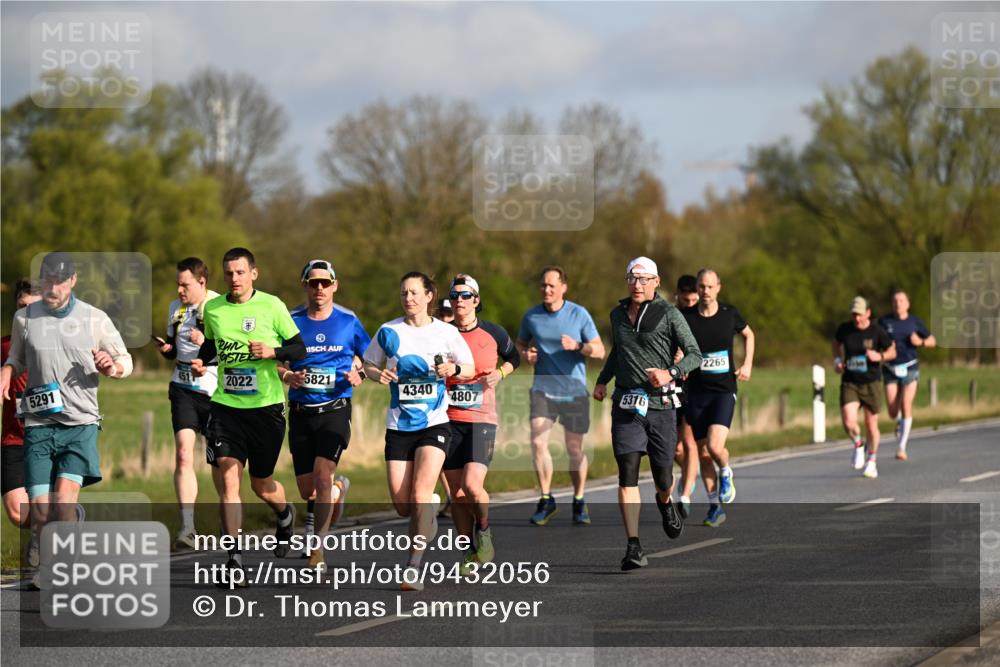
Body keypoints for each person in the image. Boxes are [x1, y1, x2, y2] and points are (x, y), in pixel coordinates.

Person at [1, 253, 133, 586]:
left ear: (73, 280)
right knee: (41, 511)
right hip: (38, 426)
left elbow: (125, 360)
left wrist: (112, 367)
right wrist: (7, 369)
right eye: (47, 280)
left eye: (60, 281)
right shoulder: (25, 318)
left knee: (62, 501)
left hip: (80, 425)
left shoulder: (94, 318)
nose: (53, 287)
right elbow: (16, 356)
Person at [190, 247, 306, 585]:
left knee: (261, 484)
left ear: (253, 273)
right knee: (228, 480)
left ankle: (284, 514)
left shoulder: (272, 306)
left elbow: (298, 348)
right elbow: (211, 345)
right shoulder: (213, 308)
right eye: (229, 273)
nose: (234, 278)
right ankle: (234, 560)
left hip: (266, 408)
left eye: (240, 272)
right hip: (226, 407)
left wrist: (274, 352)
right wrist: (201, 360)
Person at [363, 272, 474, 591]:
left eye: (414, 292)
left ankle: (413, 566)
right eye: (403, 293)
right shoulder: (388, 331)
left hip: (434, 423)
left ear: (428, 296)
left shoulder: (446, 332)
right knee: (402, 504)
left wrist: (451, 369)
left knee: (420, 493)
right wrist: (377, 374)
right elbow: (369, 364)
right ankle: (428, 511)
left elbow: (467, 367)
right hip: (399, 425)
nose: (408, 298)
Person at [594, 258, 702, 570]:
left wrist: (670, 372)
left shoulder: (670, 314)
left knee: (663, 476)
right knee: (627, 469)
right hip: (627, 404)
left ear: (656, 282)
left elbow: (695, 354)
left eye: (643, 279)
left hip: (661, 406)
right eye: (631, 278)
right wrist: (603, 381)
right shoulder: (617, 314)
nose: (636, 284)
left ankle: (666, 501)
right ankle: (633, 546)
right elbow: (619, 351)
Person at [279, 259, 369, 573]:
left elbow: (369, 359)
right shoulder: (290, 320)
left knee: (321, 475)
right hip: (301, 411)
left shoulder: (348, 320)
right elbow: (275, 362)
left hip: (335, 409)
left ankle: (317, 548)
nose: (320, 288)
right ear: (304, 284)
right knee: (309, 491)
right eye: (313, 282)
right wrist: (286, 376)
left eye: (325, 283)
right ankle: (338, 490)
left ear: (335, 285)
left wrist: (361, 372)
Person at [442, 275, 520, 576]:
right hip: (447, 420)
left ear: (476, 300)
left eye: (465, 296)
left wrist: (501, 372)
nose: (459, 301)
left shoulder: (493, 332)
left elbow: (515, 357)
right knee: (457, 494)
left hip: (481, 419)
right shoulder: (443, 333)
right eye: (454, 296)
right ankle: (469, 551)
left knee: (473, 485)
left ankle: (484, 531)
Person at [516, 266, 605, 525]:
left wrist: (578, 346)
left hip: (574, 391)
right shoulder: (532, 316)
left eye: (552, 285)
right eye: (543, 285)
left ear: (563, 287)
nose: (546, 290)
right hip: (543, 389)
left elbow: (599, 351)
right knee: (537, 442)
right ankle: (546, 498)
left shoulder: (579, 314)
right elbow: (520, 344)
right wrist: (526, 355)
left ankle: (579, 500)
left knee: (574, 448)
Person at [154, 257, 221, 549]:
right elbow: (175, 347)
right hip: (182, 387)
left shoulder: (219, 306)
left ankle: (228, 520)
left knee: (219, 461)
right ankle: (188, 527)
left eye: (185, 285)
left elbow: (230, 346)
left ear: (202, 282)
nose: (180, 291)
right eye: (178, 285)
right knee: (183, 453)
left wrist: (205, 340)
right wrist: (167, 349)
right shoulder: (175, 308)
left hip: (215, 390)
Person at [682, 268, 754, 528]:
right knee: (702, 454)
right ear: (697, 289)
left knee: (714, 447)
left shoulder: (729, 314)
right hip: (696, 392)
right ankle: (715, 506)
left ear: (718, 288)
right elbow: (676, 345)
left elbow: (749, 334)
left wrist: (747, 364)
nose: (705, 291)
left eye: (710, 287)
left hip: (723, 390)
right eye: (701, 286)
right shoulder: (686, 317)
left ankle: (726, 470)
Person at [833, 296, 896, 479]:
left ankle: (872, 461)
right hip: (850, 381)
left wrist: (879, 356)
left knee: (871, 424)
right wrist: (838, 360)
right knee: (848, 421)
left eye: (860, 314)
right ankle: (858, 445)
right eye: (854, 315)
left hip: (871, 382)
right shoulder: (844, 329)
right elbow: (836, 343)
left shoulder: (877, 331)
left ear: (868, 313)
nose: (857, 318)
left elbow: (893, 351)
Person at [2, 280, 41, 537]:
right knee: (18, 512)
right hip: (14, 437)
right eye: (21, 306)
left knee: (43, 506)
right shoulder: (4, 347)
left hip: (50, 438)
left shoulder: (61, 346)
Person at [877, 290, 936, 461]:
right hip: (890, 368)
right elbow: (875, 340)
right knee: (892, 411)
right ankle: (899, 421)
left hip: (910, 367)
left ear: (908, 304)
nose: (898, 304)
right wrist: (883, 348)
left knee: (906, 403)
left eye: (901, 300)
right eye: (895, 301)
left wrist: (921, 342)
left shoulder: (914, 322)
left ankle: (901, 447)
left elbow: (933, 340)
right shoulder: (884, 322)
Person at [671, 274, 699, 519]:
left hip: (692, 384)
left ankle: (686, 495)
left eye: (693, 300)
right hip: (670, 383)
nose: (689, 304)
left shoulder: (701, 316)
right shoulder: (669, 314)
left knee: (689, 443)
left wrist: (688, 363)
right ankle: (691, 472)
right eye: (685, 299)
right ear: (676, 296)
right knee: (674, 449)